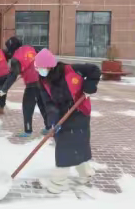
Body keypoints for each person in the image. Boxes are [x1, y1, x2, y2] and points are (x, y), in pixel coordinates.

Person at [34, 48, 101, 194]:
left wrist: (90, 86)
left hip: (79, 112)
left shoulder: (71, 70)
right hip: (63, 115)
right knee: (77, 143)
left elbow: (95, 70)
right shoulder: (43, 81)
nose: (39, 70)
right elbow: (49, 104)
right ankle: (86, 173)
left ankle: (59, 183)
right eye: (37, 68)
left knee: (65, 146)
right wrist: (53, 122)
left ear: (50, 66)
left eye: (41, 67)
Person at [0, 36, 50, 137]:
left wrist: (4, 89)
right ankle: (49, 127)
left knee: (27, 107)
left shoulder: (15, 58)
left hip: (32, 85)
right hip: (43, 81)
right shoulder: (30, 48)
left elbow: (12, 76)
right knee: (43, 105)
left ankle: (28, 131)